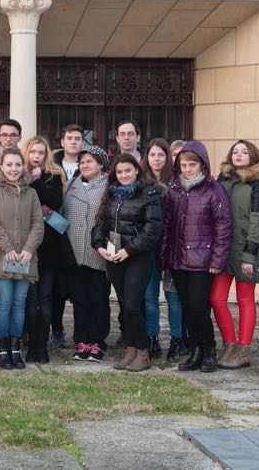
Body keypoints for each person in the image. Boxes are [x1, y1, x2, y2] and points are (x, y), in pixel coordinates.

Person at [159, 141, 232, 373]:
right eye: (183, 165)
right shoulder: (174, 187)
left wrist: (217, 260)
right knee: (187, 307)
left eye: (192, 164)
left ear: (202, 165)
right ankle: (195, 351)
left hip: (202, 260)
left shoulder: (213, 189)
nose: (187, 169)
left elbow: (223, 226)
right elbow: (167, 224)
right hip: (178, 259)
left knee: (200, 307)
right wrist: (164, 255)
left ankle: (208, 349)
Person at [91, 154, 163, 372]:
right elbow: (99, 223)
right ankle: (131, 349)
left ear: (137, 171)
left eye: (128, 171)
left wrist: (128, 249)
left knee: (133, 305)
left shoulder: (149, 195)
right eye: (120, 172)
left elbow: (152, 230)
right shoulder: (111, 194)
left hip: (137, 258)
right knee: (124, 306)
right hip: (114, 257)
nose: (124, 175)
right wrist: (98, 244)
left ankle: (143, 352)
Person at [0, 147, 43, 370]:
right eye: (9, 164)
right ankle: (2, 348)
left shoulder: (31, 193)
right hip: (1, 255)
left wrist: (28, 249)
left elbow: (38, 224)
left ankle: (16, 348)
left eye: (18, 165)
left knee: (19, 304)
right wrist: (8, 247)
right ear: (1, 166)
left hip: (26, 257)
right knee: (4, 302)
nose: (13, 169)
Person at [213, 140, 259, 369]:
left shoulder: (258, 184)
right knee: (216, 298)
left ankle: (244, 350)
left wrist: (249, 255)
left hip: (247, 251)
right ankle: (229, 344)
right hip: (224, 250)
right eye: (235, 151)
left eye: (244, 152)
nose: (239, 155)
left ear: (252, 156)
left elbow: (258, 221)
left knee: (245, 299)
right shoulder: (222, 180)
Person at [24, 136, 72, 364]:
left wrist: (37, 181)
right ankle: (30, 342)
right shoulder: (18, 172)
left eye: (41, 153)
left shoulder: (53, 176)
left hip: (50, 247)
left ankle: (41, 345)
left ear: (47, 155)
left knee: (45, 298)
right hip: (26, 246)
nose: (36, 156)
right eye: (33, 152)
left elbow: (54, 202)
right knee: (29, 299)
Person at [62, 145, 110, 362]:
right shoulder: (72, 184)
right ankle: (81, 340)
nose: (85, 165)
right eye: (82, 162)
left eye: (90, 161)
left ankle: (98, 341)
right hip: (74, 252)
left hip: (97, 252)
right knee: (80, 300)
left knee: (98, 298)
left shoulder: (108, 184)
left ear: (100, 164)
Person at [143, 138, 186, 362]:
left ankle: (177, 340)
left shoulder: (177, 181)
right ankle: (152, 338)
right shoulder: (142, 181)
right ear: (147, 157)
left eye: (161, 155)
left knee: (173, 297)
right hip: (148, 248)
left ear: (168, 157)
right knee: (149, 297)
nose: (157, 159)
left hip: (172, 248)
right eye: (153, 155)